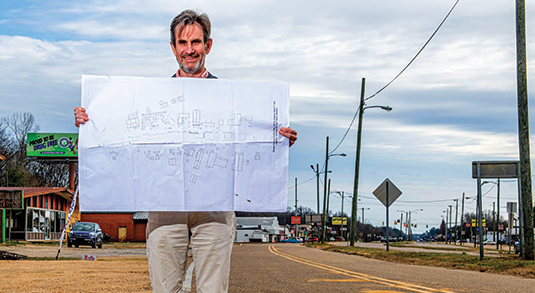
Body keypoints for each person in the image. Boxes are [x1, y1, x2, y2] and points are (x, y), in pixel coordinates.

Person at [74, 9, 297, 293]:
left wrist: (277, 142)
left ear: (208, 45)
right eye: (183, 43)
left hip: (215, 211)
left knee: (212, 289)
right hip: (166, 208)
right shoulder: (151, 99)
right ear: (173, 47)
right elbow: (120, 131)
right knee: (165, 288)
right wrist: (91, 120)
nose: (189, 50)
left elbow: (254, 140)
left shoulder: (236, 100)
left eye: (196, 42)